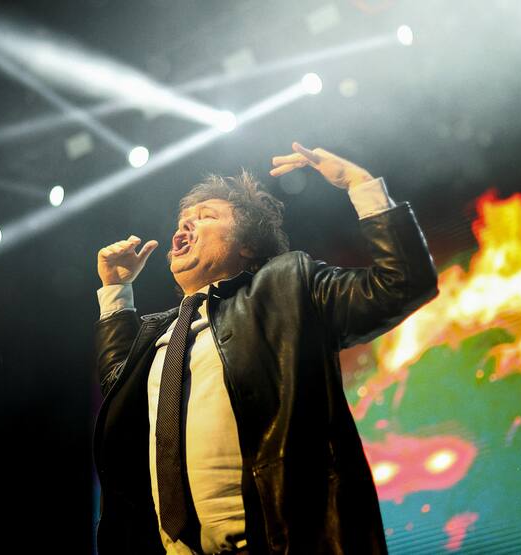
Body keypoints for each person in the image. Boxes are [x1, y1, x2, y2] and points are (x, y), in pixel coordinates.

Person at [93, 142, 438, 554]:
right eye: (184, 220)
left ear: (248, 246)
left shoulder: (286, 287)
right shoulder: (159, 334)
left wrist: (359, 184)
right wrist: (115, 289)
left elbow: (401, 284)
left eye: (206, 216)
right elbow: (118, 387)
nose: (185, 226)